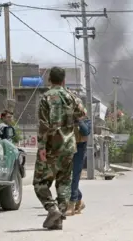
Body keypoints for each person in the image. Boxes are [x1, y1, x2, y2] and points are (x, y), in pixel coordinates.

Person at [33, 67, 85, 230]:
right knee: (64, 183)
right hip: (68, 146)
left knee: (40, 182)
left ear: (49, 80)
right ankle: (58, 218)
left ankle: (52, 209)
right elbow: (82, 113)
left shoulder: (45, 97)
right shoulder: (71, 96)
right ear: (63, 81)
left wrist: (41, 146)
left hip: (51, 146)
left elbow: (43, 124)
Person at [66, 97, 91, 216]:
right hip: (68, 148)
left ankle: (71, 204)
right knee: (66, 177)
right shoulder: (68, 119)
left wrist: (79, 120)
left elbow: (86, 132)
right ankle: (79, 200)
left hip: (80, 149)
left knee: (74, 176)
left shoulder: (86, 120)